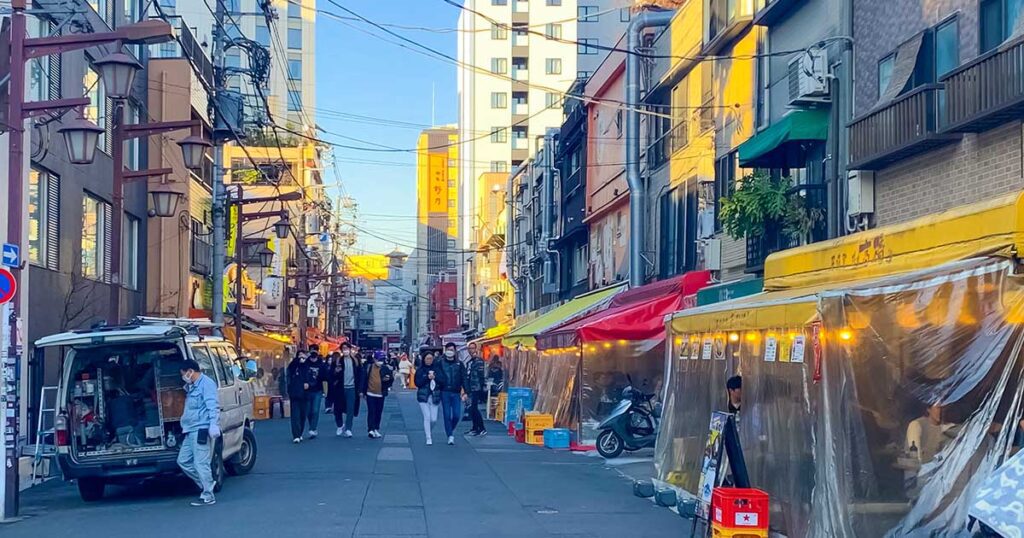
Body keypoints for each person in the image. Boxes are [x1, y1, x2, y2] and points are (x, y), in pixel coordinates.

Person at [177, 359, 221, 507]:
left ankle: (208, 495)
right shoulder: (192, 386)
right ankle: (207, 483)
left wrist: (213, 424)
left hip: (201, 428)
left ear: (190, 371)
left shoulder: (206, 384)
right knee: (183, 461)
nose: (183, 376)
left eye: (184, 374)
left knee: (200, 463)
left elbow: (212, 405)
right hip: (190, 429)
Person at [328, 343, 363, 437]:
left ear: (350, 349)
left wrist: (360, 389)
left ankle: (348, 428)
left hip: (352, 388)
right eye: (343, 348)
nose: (345, 350)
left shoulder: (356, 361)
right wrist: (336, 371)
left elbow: (360, 375)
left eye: (347, 348)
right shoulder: (338, 361)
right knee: (337, 409)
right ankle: (340, 425)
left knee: (350, 409)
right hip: (340, 388)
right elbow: (331, 374)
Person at [360, 352, 393, 439]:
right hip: (370, 393)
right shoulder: (369, 367)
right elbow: (364, 379)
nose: (380, 361)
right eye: (379, 360)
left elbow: (391, 379)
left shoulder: (385, 368)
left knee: (378, 412)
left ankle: (376, 428)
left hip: (380, 394)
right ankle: (371, 429)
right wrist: (362, 391)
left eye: (382, 360)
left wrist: (387, 380)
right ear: (375, 359)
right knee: (371, 411)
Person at [438, 342, 466, 445]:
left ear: (455, 351)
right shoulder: (440, 362)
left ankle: (450, 429)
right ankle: (450, 435)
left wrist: (466, 391)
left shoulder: (459, 363)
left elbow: (464, 378)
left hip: (455, 392)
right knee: (446, 414)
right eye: (448, 350)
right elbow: (437, 376)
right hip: (444, 391)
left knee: (456, 415)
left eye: (452, 350)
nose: (450, 352)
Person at [415, 353, 444, 445]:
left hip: (434, 396)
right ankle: (428, 437)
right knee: (427, 416)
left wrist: (435, 377)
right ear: (423, 359)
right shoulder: (420, 370)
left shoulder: (437, 369)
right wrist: (426, 378)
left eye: (431, 358)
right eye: (427, 358)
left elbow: (442, 381)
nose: (429, 360)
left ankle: (429, 430)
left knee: (434, 419)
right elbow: (417, 383)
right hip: (423, 396)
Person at [287, 352, 313, 443]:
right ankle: (296, 435)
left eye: (303, 355)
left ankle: (300, 433)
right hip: (294, 394)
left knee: (303, 415)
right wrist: (297, 360)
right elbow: (291, 369)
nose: (302, 357)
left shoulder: (308, 366)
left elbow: (313, 379)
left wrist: (309, 384)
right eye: (300, 355)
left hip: (305, 395)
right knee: (295, 416)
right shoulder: (294, 366)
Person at [465, 342, 488, 436]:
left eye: (473, 348)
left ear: (476, 349)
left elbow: (481, 375)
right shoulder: (469, 362)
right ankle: (475, 428)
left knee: (474, 408)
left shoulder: (479, 361)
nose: (471, 350)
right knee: (471, 408)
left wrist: (482, 387)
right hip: (470, 388)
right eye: (469, 348)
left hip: (476, 387)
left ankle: (481, 428)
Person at [305, 351, 327, 439]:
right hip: (307, 390)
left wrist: (325, 390)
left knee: (315, 410)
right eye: (312, 357)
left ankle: (313, 428)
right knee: (308, 411)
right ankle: (312, 426)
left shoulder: (321, 365)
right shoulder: (306, 364)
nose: (313, 358)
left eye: (314, 357)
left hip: (318, 390)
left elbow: (325, 377)